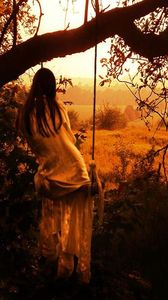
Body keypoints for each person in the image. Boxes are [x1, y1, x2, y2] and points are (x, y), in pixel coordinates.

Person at [18, 68, 93, 283]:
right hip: (75, 171)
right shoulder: (58, 108)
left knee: (54, 220)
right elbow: (69, 140)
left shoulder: (25, 114)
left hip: (51, 177)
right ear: (52, 88)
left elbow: (37, 148)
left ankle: (54, 268)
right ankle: (66, 271)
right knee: (72, 221)